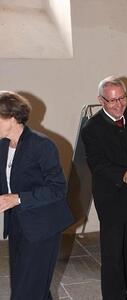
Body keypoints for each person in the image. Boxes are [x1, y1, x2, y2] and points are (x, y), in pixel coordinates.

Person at [0, 91, 73, 300]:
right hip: (18, 226)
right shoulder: (3, 145)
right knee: (31, 287)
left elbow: (58, 188)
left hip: (43, 227)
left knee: (26, 292)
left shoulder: (41, 145)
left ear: (12, 118)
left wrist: (16, 198)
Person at [81, 76, 127, 300]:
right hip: (110, 197)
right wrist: (126, 174)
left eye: (122, 98)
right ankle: (113, 296)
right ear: (101, 101)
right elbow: (97, 164)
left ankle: (125, 288)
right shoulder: (92, 128)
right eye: (112, 101)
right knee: (112, 255)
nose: (119, 105)